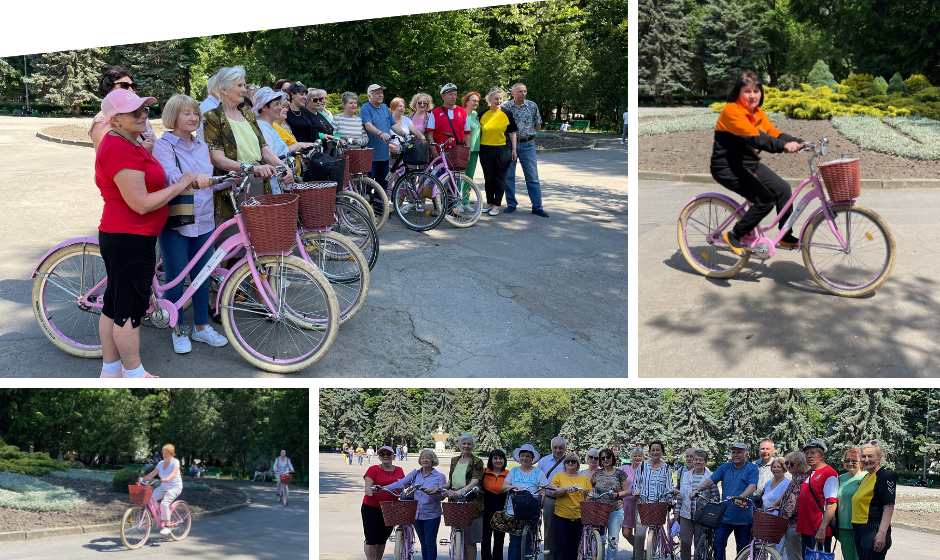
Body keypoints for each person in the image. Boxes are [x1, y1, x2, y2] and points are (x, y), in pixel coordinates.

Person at [96, 90, 199, 379]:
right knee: (129, 310)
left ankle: (111, 370)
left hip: (127, 234)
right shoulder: (118, 147)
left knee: (114, 305)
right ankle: (134, 373)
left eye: (144, 110)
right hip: (130, 235)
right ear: (115, 120)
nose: (143, 115)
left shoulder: (130, 142)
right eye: (135, 112)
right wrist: (182, 184)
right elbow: (140, 204)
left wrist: (149, 150)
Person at [153, 94, 230, 354]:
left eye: (195, 113)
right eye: (186, 113)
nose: (193, 117)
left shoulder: (201, 145)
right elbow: (170, 177)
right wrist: (193, 178)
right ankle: (177, 329)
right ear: (173, 116)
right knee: (176, 276)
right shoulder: (164, 145)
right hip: (177, 218)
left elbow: (210, 179)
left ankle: (200, 328)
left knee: (202, 275)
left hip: (205, 218)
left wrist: (232, 177)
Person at [710, 69, 804, 255]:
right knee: (765, 200)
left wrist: (798, 141)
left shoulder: (757, 113)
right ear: (738, 93)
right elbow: (756, 138)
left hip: (749, 164)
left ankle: (785, 235)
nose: (752, 95)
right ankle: (735, 235)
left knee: (783, 189)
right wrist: (783, 146)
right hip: (727, 166)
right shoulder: (731, 111)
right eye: (747, 91)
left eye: (756, 91)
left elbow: (773, 133)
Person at [202, 66, 292, 259]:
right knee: (230, 246)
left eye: (244, 85)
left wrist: (285, 169)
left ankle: (259, 287)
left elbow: (265, 150)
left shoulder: (250, 116)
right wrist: (250, 168)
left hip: (261, 183)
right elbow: (218, 159)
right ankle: (224, 287)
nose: (245, 89)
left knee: (261, 242)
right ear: (224, 90)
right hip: (234, 186)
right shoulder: (212, 117)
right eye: (240, 85)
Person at [690, 443, 758, 560]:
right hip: (724, 517)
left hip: (743, 519)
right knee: (718, 545)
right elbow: (711, 480)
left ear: (746, 454)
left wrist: (740, 497)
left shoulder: (751, 468)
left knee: (742, 550)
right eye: (734, 452)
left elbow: (752, 486)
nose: (735, 455)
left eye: (739, 452)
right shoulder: (725, 467)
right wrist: (698, 489)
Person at [386, 449, 448, 560]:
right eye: (422, 458)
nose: (425, 460)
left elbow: (442, 497)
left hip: (431, 515)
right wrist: (387, 487)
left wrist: (432, 492)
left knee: (430, 543)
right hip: (416, 514)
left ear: (433, 460)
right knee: (423, 543)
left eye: (428, 458)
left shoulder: (439, 476)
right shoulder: (415, 474)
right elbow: (402, 483)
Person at [502, 83, 548, 217]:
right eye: (520, 91)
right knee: (509, 176)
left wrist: (529, 134)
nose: (523, 93)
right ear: (513, 93)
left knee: (532, 177)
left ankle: (537, 206)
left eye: (525, 91)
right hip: (510, 146)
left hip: (528, 145)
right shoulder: (505, 107)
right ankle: (511, 204)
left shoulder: (532, 105)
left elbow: (538, 124)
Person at [90, 66, 155, 152]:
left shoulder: (141, 114)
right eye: (125, 86)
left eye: (133, 86)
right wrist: (142, 151)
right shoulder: (102, 120)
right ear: (108, 89)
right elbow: (108, 160)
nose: (131, 90)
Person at [503, 444, 550, 560]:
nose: (525, 458)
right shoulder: (513, 471)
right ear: (519, 457)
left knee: (529, 542)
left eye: (528, 456)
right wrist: (514, 486)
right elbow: (503, 487)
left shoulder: (539, 473)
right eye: (522, 456)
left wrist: (539, 509)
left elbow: (543, 492)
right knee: (514, 542)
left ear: (532, 458)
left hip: (531, 510)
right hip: (515, 512)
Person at [631, 440, 676, 559]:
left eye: (658, 450)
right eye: (653, 450)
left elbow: (669, 485)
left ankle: (652, 555)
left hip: (659, 506)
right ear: (650, 452)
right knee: (640, 535)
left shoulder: (666, 468)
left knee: (655, 534)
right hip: (643, 505)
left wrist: (672, 491)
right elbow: (635, 484)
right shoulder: (642, 466)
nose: (655, 452)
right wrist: (636, 492)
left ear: (662, 452)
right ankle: (639, 557)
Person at [478, 88, 517, 216]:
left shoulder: (507, 113)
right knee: (488, 177)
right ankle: (489, 202)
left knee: (500, 178)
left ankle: (497, 204)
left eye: (500, 98)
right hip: (485, 148)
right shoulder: (482, 114)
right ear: (489, 100)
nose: (499, 101)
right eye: (496, 98)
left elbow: (512, 132)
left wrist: (514, 149)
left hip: (502, 149)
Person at [853, 441, 895, 560]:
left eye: (870, 456)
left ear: (879, 458)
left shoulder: (885, 477)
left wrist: (881, 534)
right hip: (860, 527)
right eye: (863, 456)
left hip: (873, 529)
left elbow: (888, 507)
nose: (866, 459)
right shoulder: (867, 476)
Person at [445, 434, 486, 560]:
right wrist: (439, 488)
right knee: (457, 534)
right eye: (464, 443)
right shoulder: (454, 460)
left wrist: (459, 492)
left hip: (470, 498)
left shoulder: (477, 461)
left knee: (470, 539)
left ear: (473, 446)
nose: (466, 446)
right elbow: (451, 482)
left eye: (469, 444)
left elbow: (475, 481)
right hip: (454, 499)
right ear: (459, 445)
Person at [674, 449, 720, 560]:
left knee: (699, 543)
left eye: (701, 460)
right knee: (685, 541)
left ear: (705, 462)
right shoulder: (686, 475)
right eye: (696, 459)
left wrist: (709, 506)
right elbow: (681, 496)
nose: (697, 462)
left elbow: (716, 497)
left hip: (702, 516)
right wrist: (677, 512)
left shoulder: (710, 477)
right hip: (686, 514)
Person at [362, 446, 405, 560]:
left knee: (383, 537)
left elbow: (402, 487)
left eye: (388, 454)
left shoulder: (399, 470)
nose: (386, 456)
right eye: (383, 454)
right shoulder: (373, 469)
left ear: (393, 456)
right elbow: (367, 489)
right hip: (372, 507)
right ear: (379, 457)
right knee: (371, 538)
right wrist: (372, 491)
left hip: (390, 508)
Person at [360, 84, 404, 192]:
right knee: (368, 187)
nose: (380, 95)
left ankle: (380, 209)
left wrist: (405, 135)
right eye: (377, 93)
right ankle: (366, 208)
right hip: (370, 156)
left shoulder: (384, 108)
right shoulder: (365, 109)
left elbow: (393, 125)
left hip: (384, 156)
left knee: (383, 185)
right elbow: (368, 125)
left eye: (381, 93)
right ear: (369, 96)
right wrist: (381, 134)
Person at [797, 439, 838, 554]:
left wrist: (822, 529)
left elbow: (831, 503)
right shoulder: (810, 472)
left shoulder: (829, 474)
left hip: (818, 529)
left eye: (813, 453)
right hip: (806, 527)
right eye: (806, 453)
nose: (809, 456)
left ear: (822, 455)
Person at [767, 451, 810, 560]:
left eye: (792, 464)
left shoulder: (799, 480)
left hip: (793, 525)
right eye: (787, 463)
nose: (788, 466)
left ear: (800, 465)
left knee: (794, 557)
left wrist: (783, 522)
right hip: (796, 524)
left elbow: (791, 505)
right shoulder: (797, 479)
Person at [549, 452, 592, 560]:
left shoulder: (584, 478)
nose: (570, 463)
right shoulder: (559, 476)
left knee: (574, 546)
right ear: (564, 464)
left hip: (578, 516)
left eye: (573, 461)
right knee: (561, 545)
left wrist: (590, 495)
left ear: (577, 464)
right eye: (567, 461)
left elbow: (590, 491)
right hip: (562, 515)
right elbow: (553, 492)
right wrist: (564, 488)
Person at [591, 448, 630, 560]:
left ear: (612, 458)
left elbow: (626, 491)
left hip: (615, 510)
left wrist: (616, 495)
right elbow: (590, 487)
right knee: (601, 540)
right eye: (602, 458)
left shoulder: (620, 473)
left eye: (608, 457)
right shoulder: (597, 474)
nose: (605, 460)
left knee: (613, 539)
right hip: (600, 511)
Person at [140, 444, 182, 535]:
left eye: (166, 453)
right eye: (163, 453)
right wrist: (142, 479)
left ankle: (167, 527)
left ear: (171, 453)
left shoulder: (175, 462)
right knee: (150, 497)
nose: (164, 455)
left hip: (175, 486)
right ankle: (160, 515)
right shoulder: (160, 463)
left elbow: (174, 473)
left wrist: (167, 478)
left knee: (164, 503)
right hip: (164, 486)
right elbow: (152, 474)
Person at [538, 436, 569, 560]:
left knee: (565, 532)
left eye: (561, 448)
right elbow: (539, 480)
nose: (557, 450)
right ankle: (549, 558)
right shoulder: (543, 461)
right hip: (550, 500)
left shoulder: (570, 461)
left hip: (566, 500)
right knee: (549, 531)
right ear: (551, 448)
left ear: (565, 448)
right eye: (555, 447)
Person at [838, 448, 866, 560]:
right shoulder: (840, 478)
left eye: (854, 461)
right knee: (848, 558)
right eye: (847, 461)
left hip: (862, 525)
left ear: (861, 462)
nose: (850, 464)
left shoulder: (867, 478)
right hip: (843, 526)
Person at [482, 449, 509, 560]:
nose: (498, 461)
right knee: (485, 539)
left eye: (501, 458)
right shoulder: (484, 472)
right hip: (486, 511)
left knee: (499, 540)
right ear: (491, 460)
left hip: (502, 511)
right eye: (495, 458)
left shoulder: (508, 474)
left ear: (504, 460)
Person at [761, 458, 790, 554]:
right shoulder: (768, 483)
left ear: (784, 469)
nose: (776, 469)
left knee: (779, 548)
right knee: (766, 547)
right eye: (774, 467)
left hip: (779, 519)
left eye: (779, 467)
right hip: (766, 519)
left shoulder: (787, 483)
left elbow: (782, 497)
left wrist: (774, 504)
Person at [753, 439, 789, 508]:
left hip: (774, 505)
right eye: (762, 449)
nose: (765, 451)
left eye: (768, 449)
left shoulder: (779, 463)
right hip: (755, 503)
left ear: (774, 450)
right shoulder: (754, 465)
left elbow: (786, 488)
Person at [620, 447, 644, 547]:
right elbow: (614, 476)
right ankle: (642, 551)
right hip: (627, 503)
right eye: (635, 456)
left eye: (640, 456)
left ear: (644, 458)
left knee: (639, 534)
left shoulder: (646, 471)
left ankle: (636, 556)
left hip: (641, 502)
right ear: (631, 458)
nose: (637, 458)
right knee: (626, 533)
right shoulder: (624, 468)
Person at [462, 91, 482, 179]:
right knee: (461, 176)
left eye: (477, 101)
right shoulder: (461, 114)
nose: (476, 103)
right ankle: (458, 193)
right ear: (466, 102)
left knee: (470, 177)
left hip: (475, 149)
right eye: (474, 101)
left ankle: (466, 193)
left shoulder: (476, 114)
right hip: (463, 150)